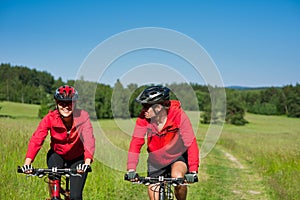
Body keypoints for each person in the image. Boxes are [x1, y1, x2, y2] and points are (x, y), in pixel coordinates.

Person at [21, 85, 95, 200]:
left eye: (69, 103)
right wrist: (27, 163)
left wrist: (87, 163)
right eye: (61, 103)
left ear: (75, 103)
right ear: (56, 103)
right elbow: (37, 139)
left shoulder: (83, 116)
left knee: (75, 197)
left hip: (77, 158)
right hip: (57, 155)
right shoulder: (50, 118)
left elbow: (89, 139)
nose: (65, 107)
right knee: (55, 195)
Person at [126, 85, 199, 200]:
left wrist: (193, 170)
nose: (143, 109)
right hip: (156, 161)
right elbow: (136, 142)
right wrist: (131, 169)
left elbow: (191, 142)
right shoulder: (143, 118)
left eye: (146, 106)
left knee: (178, 177)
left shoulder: (178, 115)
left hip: (177, 157)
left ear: (159, 107)